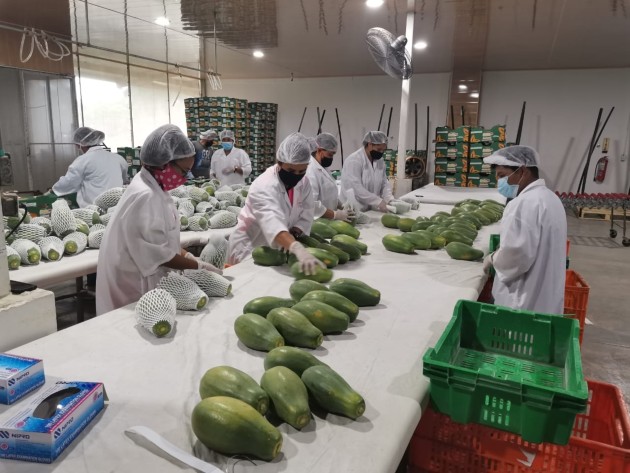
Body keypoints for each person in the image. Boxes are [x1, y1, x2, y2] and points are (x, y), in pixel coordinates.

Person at [96, 125, 221, 315]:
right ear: (164, 164)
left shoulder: (156, 187)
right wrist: (199, 266)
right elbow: (159, 255)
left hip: (143, 274)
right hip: (133, 283)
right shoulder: (145, 195)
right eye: (184, 171)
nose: (186, 177)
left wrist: (187, 256)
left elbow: (162, 240)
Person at [482, 145, 567, 314]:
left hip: (522, 304)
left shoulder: (523, 203)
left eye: (502, 176)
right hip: (544, 299)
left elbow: (516, 255)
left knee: (511, 339)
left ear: (522, 171)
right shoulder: (550, 198)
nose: (499, 182)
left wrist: (493, 258)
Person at [227, 132, 324, 276]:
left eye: (302, 171)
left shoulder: (303, 182)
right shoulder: (264, 185)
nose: (296, 175)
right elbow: (272, 222)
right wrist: (297, 249)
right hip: (250, 246)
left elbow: (308, 210)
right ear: (279, 162)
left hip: (279, 246)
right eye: (291, 170)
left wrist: (296, 230)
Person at [52, 127, 129, 208]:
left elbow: (69, 182)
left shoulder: (82, 161)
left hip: (94, 211)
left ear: (80, 144)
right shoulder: (117, 158)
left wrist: (55, 189)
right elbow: (124, 179)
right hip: (117, 208)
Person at [340, 131, 394, 212]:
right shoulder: (354, 160)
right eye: (379, 149)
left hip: (370, 209)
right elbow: (356, 188)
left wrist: (389, 199)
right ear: (369, 144)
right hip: (354, 209)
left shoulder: (379, 161)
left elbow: (384, 183)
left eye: (383, 150)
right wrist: (377, 201)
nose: (381, 152)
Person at [305, 132, 354, 222]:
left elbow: (328, 192)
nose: (331, 158)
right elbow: (311, 204)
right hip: (317, 222)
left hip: (328, 220)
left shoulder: (323, 167)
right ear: (319, 150)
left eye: (333, 155)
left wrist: (341, 205)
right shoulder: (310, 171)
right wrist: (335, 214)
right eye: (330, 154)